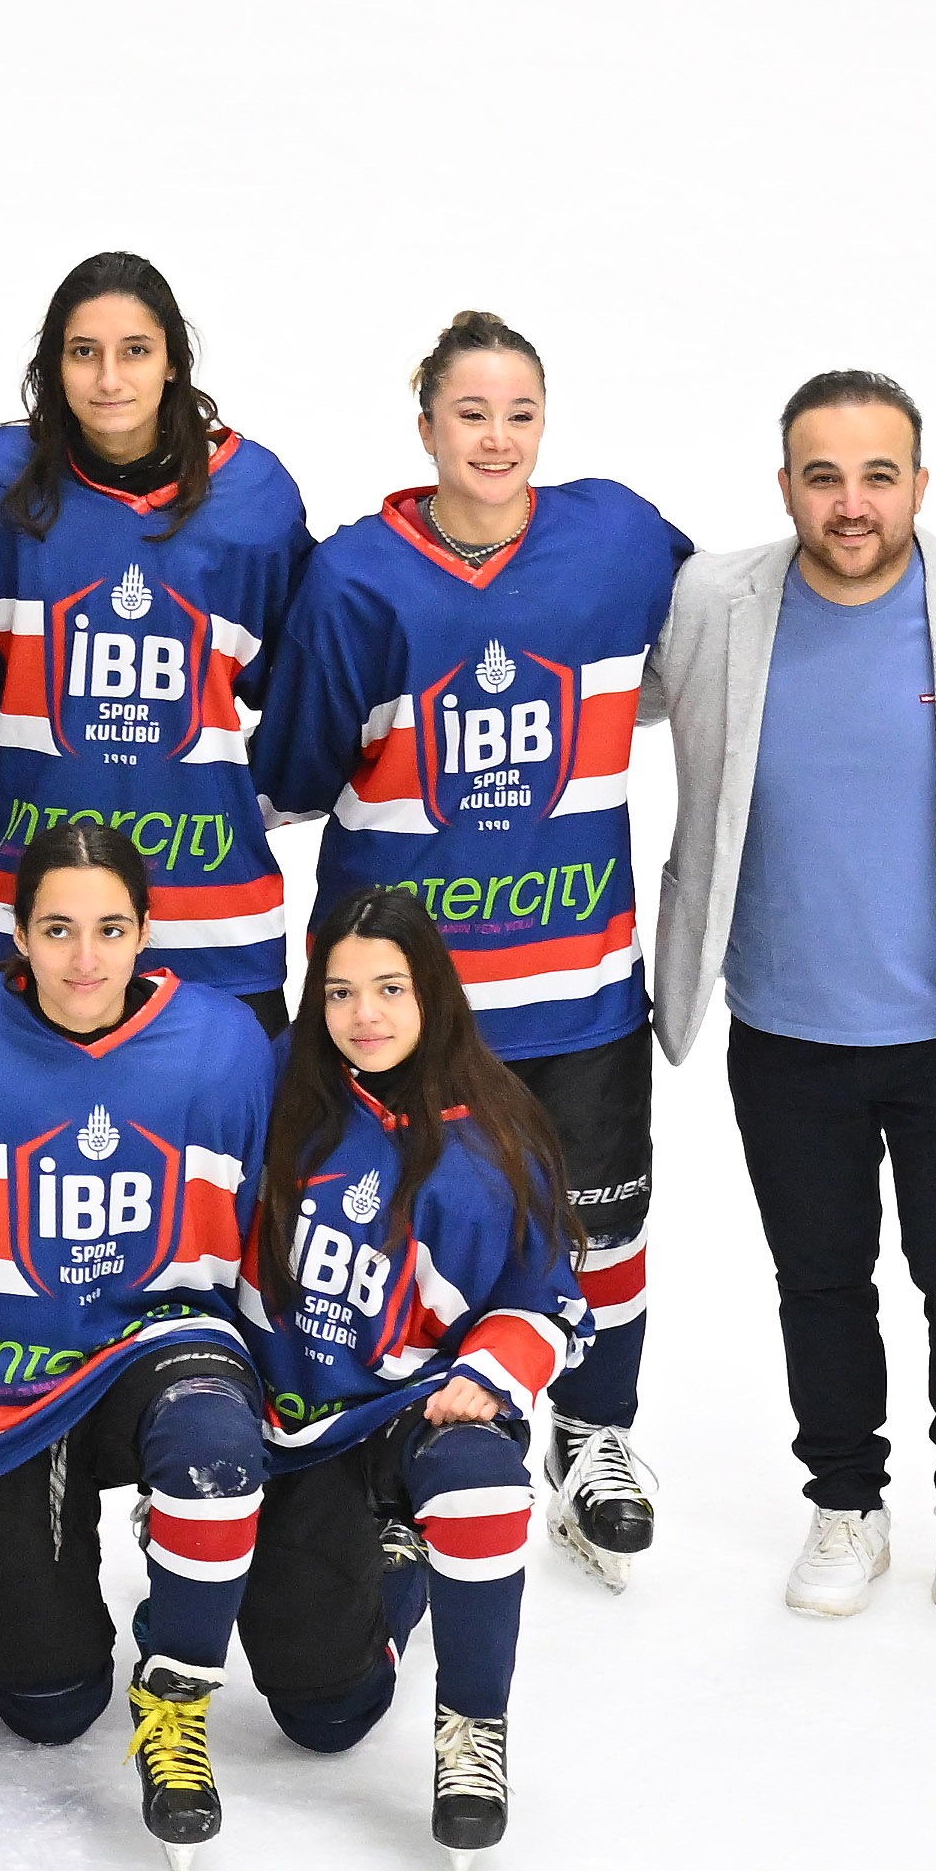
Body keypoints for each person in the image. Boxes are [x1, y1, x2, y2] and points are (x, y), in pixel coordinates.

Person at [646, 370, 936, 1619]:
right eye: (823, 475)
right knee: (820, 1283)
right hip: (782, 1026)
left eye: (876, 475)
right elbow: (585, 688)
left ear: (919, 484)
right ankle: (843, 1506)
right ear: (784, 481)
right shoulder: (709, 603)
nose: (851, 503)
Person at [264, 309, 690, 1582]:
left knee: (602, 1234)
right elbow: (289, 775)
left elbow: (728, 625)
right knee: (393, 1233)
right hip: (408, 1012)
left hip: (579, 995)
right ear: (425, 427)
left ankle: (594, 1437)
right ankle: (399, 1445)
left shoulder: (613, 535)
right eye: (469, 414)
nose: (495, 438)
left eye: (518, 413)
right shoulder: (356, 577)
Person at [0, 822, 280, 1863]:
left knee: (215, 1451)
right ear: (17, 935)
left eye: (108, 929)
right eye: (57, 930)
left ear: (147, 933)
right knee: (44, 1705)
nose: (84, 959)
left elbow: (266, 1244)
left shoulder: (224, 1044)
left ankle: (176, 1696)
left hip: (159, 1347)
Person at [226, 895, 590, 1871]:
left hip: (428, 1411)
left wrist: (486, 1372)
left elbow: (555, 1304)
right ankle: (396, 1567)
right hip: (298, 1426)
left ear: (433, 991)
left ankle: (473, 1730)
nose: (364, 1015)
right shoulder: (274, 1086)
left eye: (389, 989)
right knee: (320, 1716)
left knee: (481, 1481)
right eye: (339, 992)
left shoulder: (499, 1134)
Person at [0, 253, 314, 1012]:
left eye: (135, 351)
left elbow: (308, 691)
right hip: (21, 908)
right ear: (54, 366)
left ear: (173, 360)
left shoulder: (255, 499)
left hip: (211, 921)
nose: (110, 379)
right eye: (84, 353)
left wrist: (235, 799)